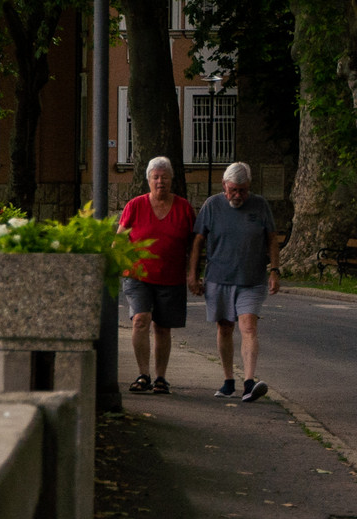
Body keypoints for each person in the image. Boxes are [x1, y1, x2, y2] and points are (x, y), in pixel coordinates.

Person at [187, 161, 280, 402]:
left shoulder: (260, 206)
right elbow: (198, 240)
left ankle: (249, 383)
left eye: (243, 190)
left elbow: (271, 238)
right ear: (224, 186)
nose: (238, 195)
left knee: (248, 326)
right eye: (233, 190)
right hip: (219, 278)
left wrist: (275, 270)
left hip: (251, 278)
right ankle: (228, 381)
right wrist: (193, 274)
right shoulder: (212, 205)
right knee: (225, 327)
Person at [117, 156, 195, 393]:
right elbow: (119, 238)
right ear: (148, 180)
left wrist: (192, 273)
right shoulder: (135, 205)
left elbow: (194, 244)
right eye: (156, 177)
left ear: (172, 180)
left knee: (162, 328)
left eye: (165, 177)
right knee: (141, 320)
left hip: (170, 277)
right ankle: (143, 375)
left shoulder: (183, 208)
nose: (160, 182)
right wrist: (115, 263)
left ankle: (161, 378)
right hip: (138, 275)